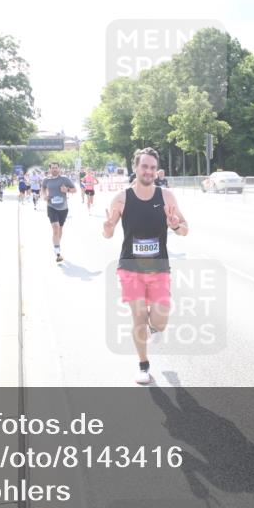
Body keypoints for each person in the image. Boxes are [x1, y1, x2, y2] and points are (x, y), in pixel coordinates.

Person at [103, 147, 189, 385]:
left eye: (152, 167)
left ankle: (153, 329)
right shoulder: (121, 198)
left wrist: (174, 225)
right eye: (144, 166)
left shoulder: (166, 197)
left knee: (160, 321)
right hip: (130, 269)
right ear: (135, 167)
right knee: (138, 318)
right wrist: (109, 225)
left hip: (159, 268)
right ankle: (143, 365)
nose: (149, 171)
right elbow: (107, 233)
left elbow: (185, 230)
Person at [42, 162, 77, 262]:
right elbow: (43, 188)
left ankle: (56, 244)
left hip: (63, 208)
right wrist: (44, 195)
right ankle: (58, 252)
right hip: (51, 206)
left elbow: (75, 190)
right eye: (52, 168)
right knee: (56, 228)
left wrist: (67, 190)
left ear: (59, 168)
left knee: (60, 229)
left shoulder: (64, 179)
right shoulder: (46, 180)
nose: (54, 169)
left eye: (56, 168)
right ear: (50, 169)